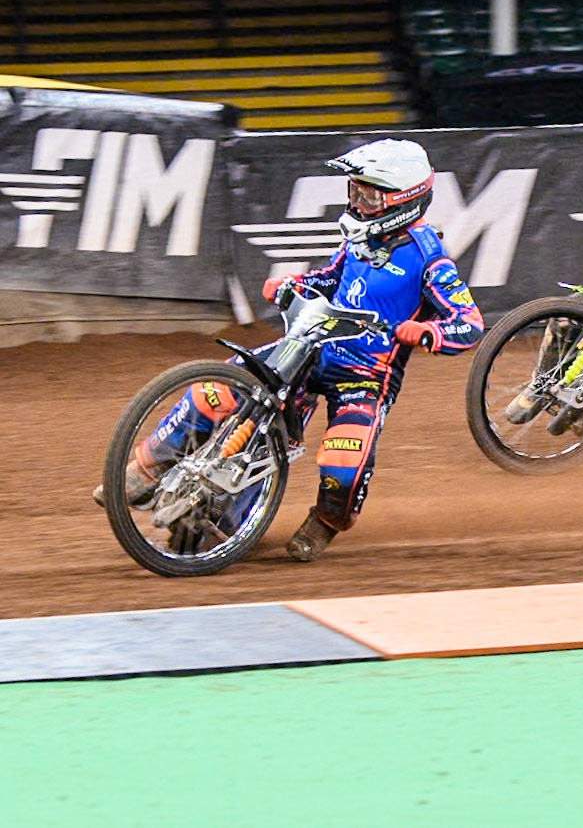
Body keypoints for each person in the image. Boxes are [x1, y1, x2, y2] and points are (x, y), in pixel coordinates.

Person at [95, 139, 484, 562]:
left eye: (368, 196)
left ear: (403, 201)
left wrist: (427, 333)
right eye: (354, 192)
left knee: (343, 466)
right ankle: (144, 471)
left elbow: (470, 323)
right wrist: (293, 285)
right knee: (213, 392)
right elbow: (329, 277)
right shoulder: (357, 240)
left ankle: (325, 522)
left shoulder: (431, 260)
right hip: (309, 346)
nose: (357, 203)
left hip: (364, 375)